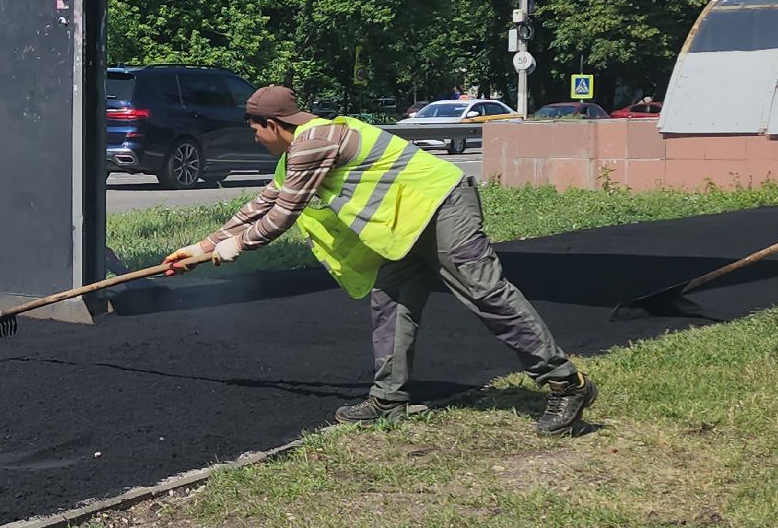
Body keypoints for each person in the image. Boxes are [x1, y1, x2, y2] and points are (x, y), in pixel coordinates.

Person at [162, 85, 597, 437]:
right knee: (389, 302)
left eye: (255, 129)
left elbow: (282, 215)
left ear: (273, 125)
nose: (254, 137)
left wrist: (234, 249)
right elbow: (264, 202)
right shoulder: (301, 149)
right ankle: (388, 401)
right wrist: (201, 249)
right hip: (406, 227)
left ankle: (566, 384)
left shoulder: (314, 144)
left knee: (486, 294)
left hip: (443, 206)